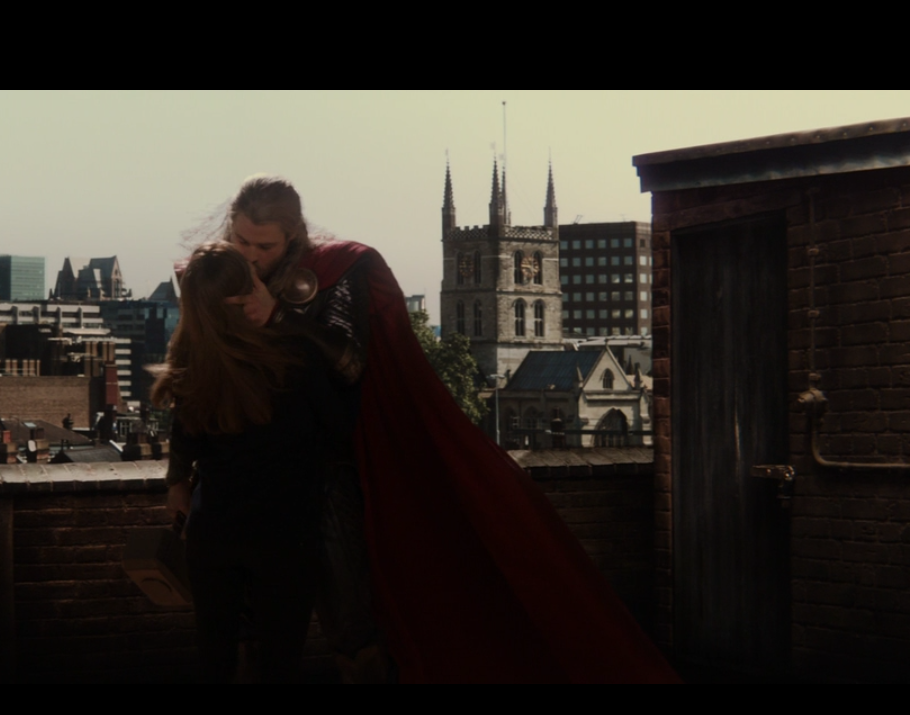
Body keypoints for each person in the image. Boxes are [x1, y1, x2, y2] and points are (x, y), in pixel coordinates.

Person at [172, 174, 679, 683]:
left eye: (264, 246)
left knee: (349, 621)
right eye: (242, 241)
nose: (251, 256)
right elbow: (188, 375)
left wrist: (280, 315)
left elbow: (349, 365)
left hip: (321, 472)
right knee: (236, 632)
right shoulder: (219, 272)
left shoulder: (333, 270)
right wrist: (178, 474)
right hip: (237, 486)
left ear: (293, 236)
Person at [154, 243, 350, 683]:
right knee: (280, 658)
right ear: (248, 290)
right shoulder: (294, 356)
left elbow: (186, 438)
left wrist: (177, 482)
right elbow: (341, 428)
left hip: (215, 530)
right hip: (286, 532)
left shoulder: (193, 364)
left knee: (216, 654)